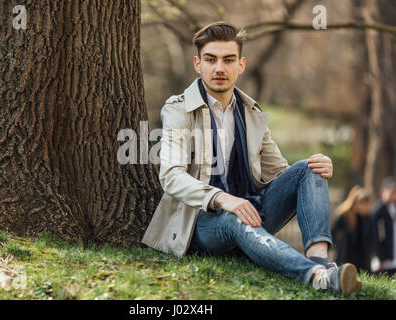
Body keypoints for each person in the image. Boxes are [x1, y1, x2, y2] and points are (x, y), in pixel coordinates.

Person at [142, 22, 361, 295]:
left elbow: (281, 174)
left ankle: (321, 261)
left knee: (309, 168)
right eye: (211, 60)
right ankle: (316, 276)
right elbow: (171, 177)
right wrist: (224, 199)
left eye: (228, 60)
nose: (219, 68)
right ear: (198, 64)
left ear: (241, 65)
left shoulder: (250, 112)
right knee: (235, 218)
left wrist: (316, 168)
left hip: (253, 211)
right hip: (203, 223)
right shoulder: (178, 110)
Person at [331, 186, 373, 273]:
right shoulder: (344, 216)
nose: (368, 207)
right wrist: (339, 247)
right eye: (365, 204)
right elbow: (332, 233)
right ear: (357, 203)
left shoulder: (367, 218)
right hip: (345, 258)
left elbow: (370, 238)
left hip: (362, 260)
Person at [372, 176, 396, 276]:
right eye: (392, 192)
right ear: (383, 191)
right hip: (385, 261)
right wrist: (381, 258)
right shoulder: (377, 212)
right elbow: (376, 237)